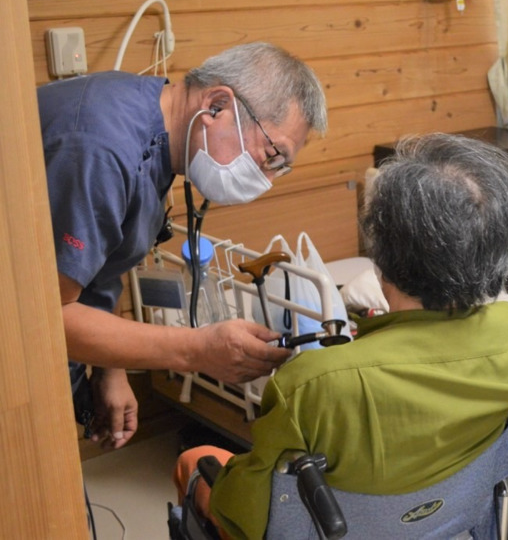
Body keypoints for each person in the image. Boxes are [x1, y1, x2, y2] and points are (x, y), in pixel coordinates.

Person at [172, 132, 508, 539]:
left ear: (381, 257)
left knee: (194, 458)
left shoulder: (311, 384)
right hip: (454, 522)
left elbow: (249, 514)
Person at [39, 42, 328, 451]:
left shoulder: (152, 122)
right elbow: (45, 318)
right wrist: (194, 351)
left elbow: (97, 261)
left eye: (280, 167)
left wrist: (112, 368)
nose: (266, 178)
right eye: (272, 155)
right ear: (216, 106)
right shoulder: (102, 151)